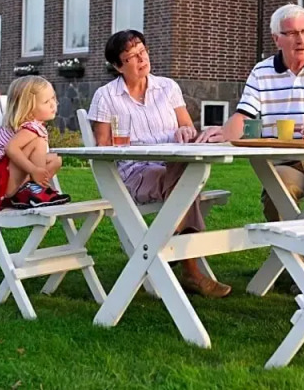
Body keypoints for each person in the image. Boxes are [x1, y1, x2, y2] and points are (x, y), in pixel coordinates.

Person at [88, 30, 231, 298]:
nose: (141, 59)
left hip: (172, 166)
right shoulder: (106, 96)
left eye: (142, 51)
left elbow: (187, 127)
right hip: (133, 173)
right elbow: (103, 147)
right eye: (132, 57)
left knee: (183, 175)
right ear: (118, 66)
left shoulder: (167, 87)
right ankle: (189, 268)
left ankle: (168, 244)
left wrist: (185, 132)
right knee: (186, 185)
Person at [196, 3, 304, 222]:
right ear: (276, 39)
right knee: (277, 193)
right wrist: (224, 133)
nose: (300, 39)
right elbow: (243, 116)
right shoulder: (261, 72)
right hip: (286, 163)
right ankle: (290, 246)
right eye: (292, 33)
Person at [0, 76, 71, 210]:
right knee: (39, 143)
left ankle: (29, 190)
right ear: (28, 108)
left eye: (53, 98)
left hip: (11, 176)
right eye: (46, 101)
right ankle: (37, 191)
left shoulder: (33, 125)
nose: (53, 104)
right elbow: (10, 148)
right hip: (4, 181)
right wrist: (33, 170)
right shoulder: (29, 128)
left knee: (56, 160)